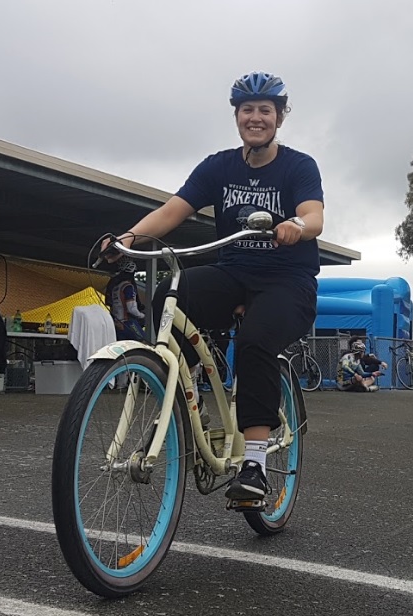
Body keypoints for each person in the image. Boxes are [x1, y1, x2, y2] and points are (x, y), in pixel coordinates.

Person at [102, 71, 324, 505]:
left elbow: (314, 215)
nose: (255, 118)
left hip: (287, 280)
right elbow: (172, 212)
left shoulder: (299, 166)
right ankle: (188, 404)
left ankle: (255, 465)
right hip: (234, 272)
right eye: (247, 110)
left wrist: (297, 226)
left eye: (265, 110)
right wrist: (127, 239)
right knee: (170, 293)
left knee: (258, 341)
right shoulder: (218, 167)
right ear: (237, 116)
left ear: (280, 117)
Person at [105, 257, 146, 341]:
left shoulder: (115, 287)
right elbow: (131, 308)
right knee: (142, 341)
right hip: (128, 322)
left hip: (117, 322)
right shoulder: (128, 287)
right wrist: (142, 316)